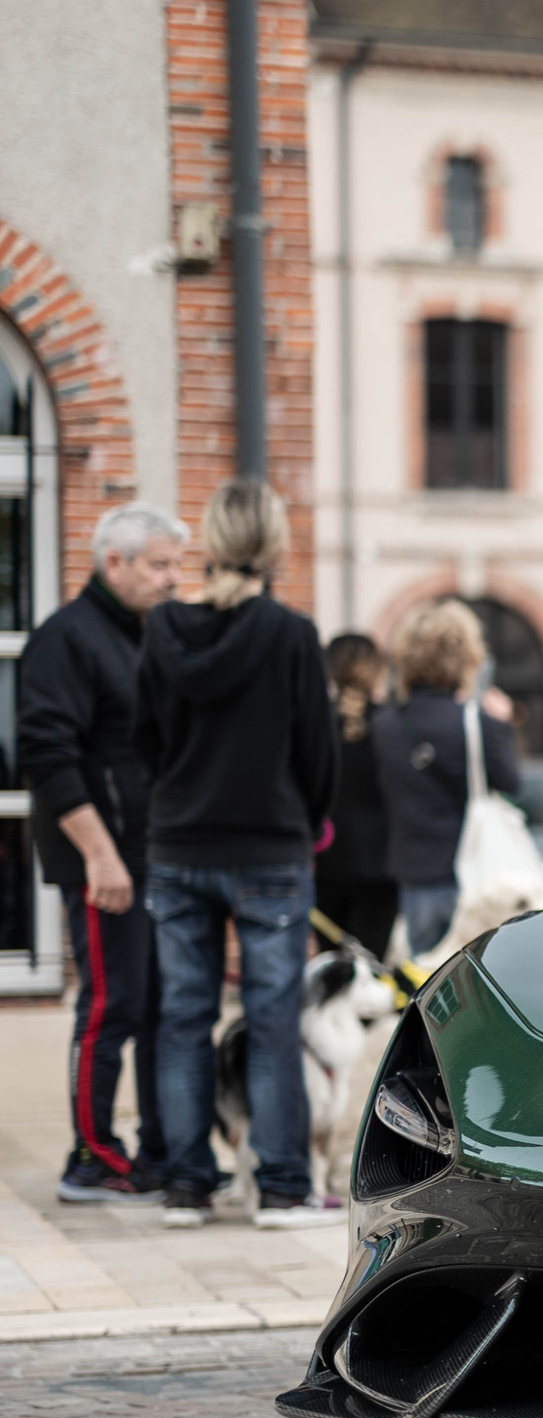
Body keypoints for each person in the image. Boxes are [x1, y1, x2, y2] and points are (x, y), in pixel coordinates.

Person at [134, 479, 340, 1228]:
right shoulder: (290, 634)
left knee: (183, 1016)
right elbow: (318, 753)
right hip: (267, 847)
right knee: (273, 1017)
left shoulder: (162, 629)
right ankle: (282, 1187)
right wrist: (311, 821)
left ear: (212, 542)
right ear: (273, 545)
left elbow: (144, 739)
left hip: (179, 843)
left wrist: (177, 800)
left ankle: (187, 1185)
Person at [17, 504, 187, 1203]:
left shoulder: (151, 635)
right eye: (160, 565)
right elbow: (48, 757)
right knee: (112, 1005)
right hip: (104, 862)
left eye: (177, 563)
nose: (174, 579)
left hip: (154, 854)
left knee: (155, 1006)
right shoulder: (67, 639)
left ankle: (155, 1149)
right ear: (112, 563)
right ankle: (91, 1156)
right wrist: (100, 856)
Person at [374, 601, 521, 954]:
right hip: (475, 876)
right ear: (466, 655)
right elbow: (511, 783)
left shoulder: (385, 725)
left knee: (424, 981)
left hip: (415, 874)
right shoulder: (476, 720)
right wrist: (502, 724)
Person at [315, 633, 398, 957]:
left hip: (325, 860)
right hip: (380, 864)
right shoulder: (392, 724)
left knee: (331, 967)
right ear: (376, 670)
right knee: (370, 968)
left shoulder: (314, 721)